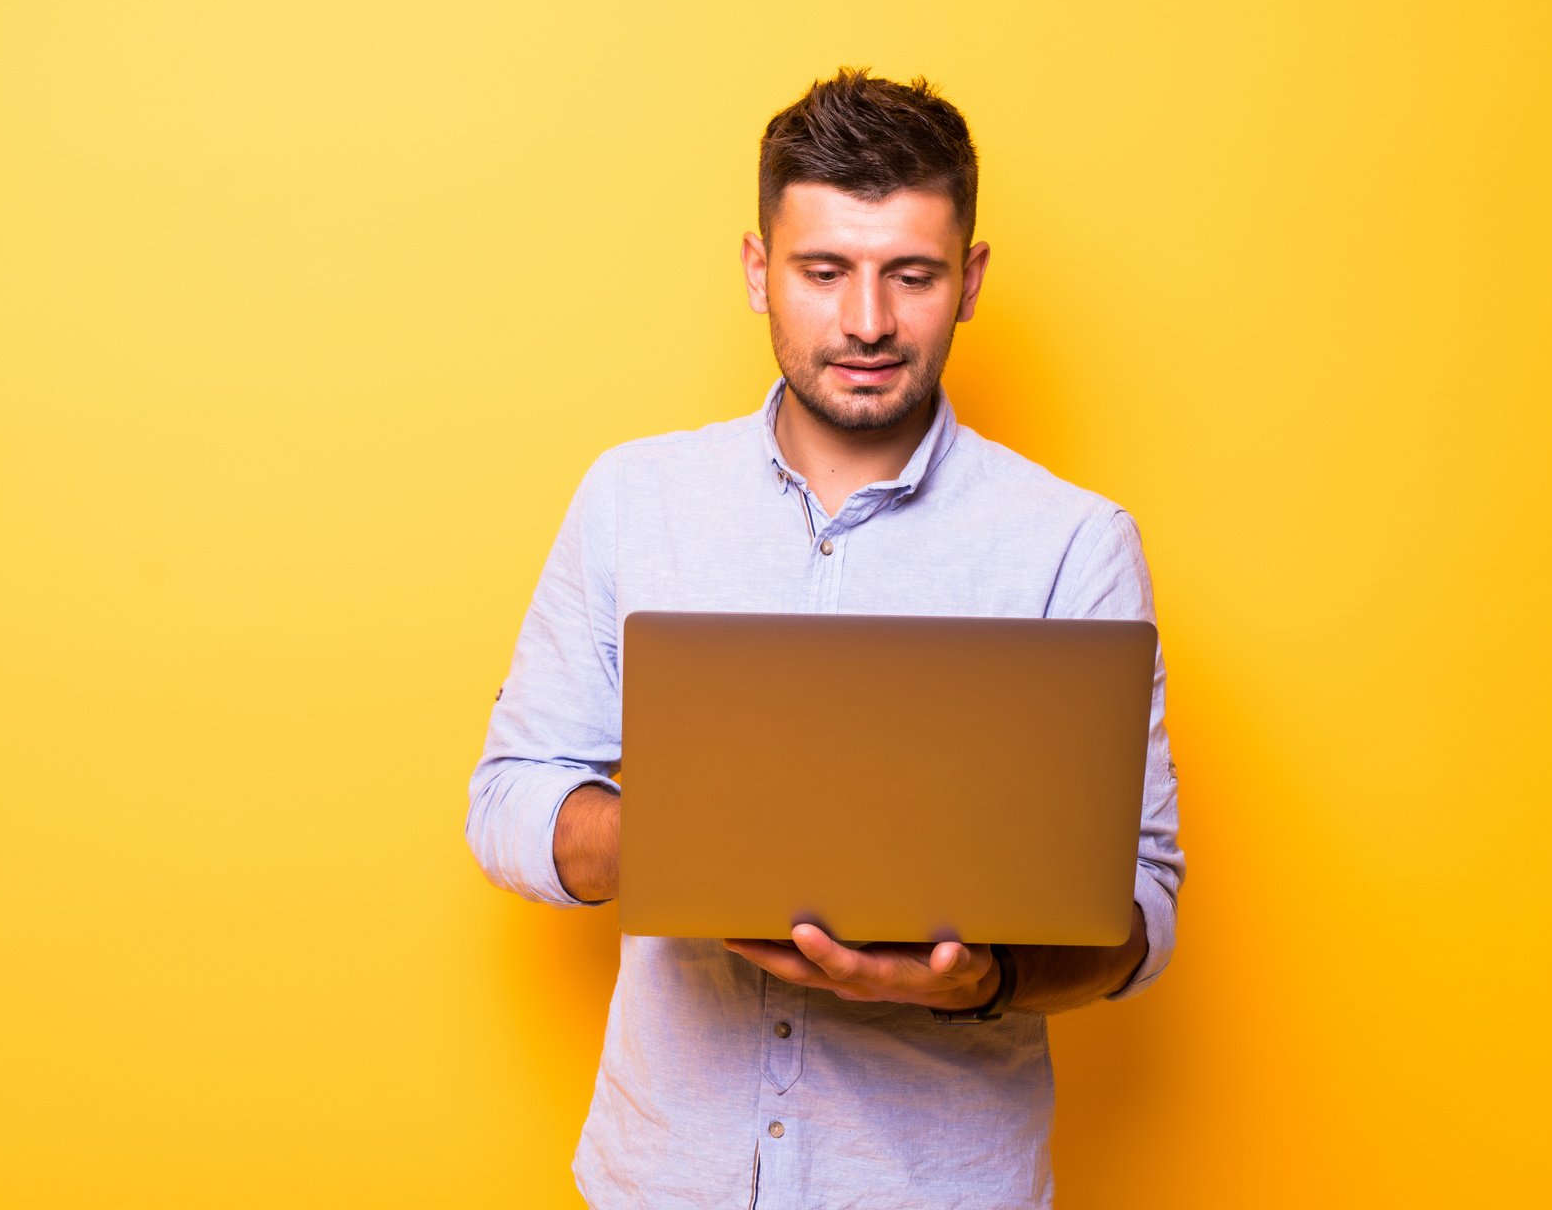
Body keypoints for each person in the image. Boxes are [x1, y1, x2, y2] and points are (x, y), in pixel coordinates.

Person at [465, 69, 1184, 1210]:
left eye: (911, 275)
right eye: (823, 272)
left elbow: (1139, 910)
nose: (866, 322)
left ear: (971, 279)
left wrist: (982, 982)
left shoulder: (1072, 544)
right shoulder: (634, 499)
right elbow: (509, 801)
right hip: (665, 1180)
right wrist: (700, 842)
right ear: (759, 273)